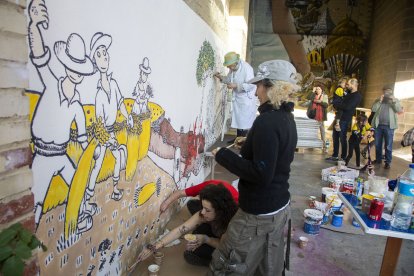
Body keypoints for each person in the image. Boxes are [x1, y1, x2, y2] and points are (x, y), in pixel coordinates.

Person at [210, 60, 299, 275]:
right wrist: (249, 144)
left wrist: (222, 155)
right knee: (267, 266)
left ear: (273, 88)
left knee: (227, 264)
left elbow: (261, 174)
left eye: (260, 85)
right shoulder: (286, 118)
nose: (256, 91)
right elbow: (273, 157)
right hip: (278, 206)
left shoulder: (267, 122)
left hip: (257, 213)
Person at [28, 0, 94, 232]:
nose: (76, 73)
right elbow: (39, 56)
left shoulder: (77, 106)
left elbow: (84, 138)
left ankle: (81, 213)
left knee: (78, 184)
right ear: (65, 66)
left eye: (80, 69)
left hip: (62, 154)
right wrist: (34, 25)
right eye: (72, 66)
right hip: (44, 155)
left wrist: (90, 155)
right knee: (35, 203)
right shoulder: (51, 82)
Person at [136, 184, 238, 267]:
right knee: (195, 232)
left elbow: (226, 246)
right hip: (216, 230)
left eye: (207, 210)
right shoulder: (204, 214)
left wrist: (206, 239)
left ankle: (218, 262)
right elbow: (180, 230)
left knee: (192, 255)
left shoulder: (233, 222)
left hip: (228, 246)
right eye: (203, 207)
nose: (202, 212)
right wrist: (154, 247)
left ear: (220, 211)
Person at [86, 32, 131, 207]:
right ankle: (88, 198)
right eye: (99, 55)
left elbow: (121, 104)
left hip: (110, 131)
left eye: (105, 54)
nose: (103, 57)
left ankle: (115, 189)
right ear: (95, 62)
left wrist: (129, 118)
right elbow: (99, 123)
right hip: (101, 134)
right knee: (97, 165)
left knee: (119, 156)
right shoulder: (98, 94)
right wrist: (107, 139)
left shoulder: (113, 84)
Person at [214, 52, 257, 143]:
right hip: (238, 98)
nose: (228, 68)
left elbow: (251, 85)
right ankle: (238, 139)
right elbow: (229, 79)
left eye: (229, 66)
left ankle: (242, 142)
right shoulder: (233, 68)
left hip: (246, 98)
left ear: (235, 63)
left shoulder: (246, 68)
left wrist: (236, 85)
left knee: (244, 121)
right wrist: (220, 77)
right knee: (239, 120)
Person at [326, 78, 362, 162]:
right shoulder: (348, 93)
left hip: (345, 119)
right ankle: (335, 155)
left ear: (353, 85)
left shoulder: (357, 96)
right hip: (338, 117)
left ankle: (343, 157)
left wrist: (337, 104)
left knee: (342, 138)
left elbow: (347, 107)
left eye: (348, 84)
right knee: (335, 137)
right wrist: (338, 104)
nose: (346, 86)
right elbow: (340, 103)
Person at [160, 179, 239, 214]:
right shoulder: (205, 186)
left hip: (230, 209)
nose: (203, 212)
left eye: (207, 210)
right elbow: (180, 193)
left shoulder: (234, 203)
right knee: (192, 204)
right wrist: (166, 203)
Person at [371, 86, 403, 169]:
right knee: (378, 144)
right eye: (385, 92)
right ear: (383, 92)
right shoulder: (379, 100)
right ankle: (378, 160)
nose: (387, 94)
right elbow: (373, 109)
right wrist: (380, 101)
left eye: (389, 92)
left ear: (392, 93)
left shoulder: (395, 100)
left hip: (389, 127)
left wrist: (394, 100)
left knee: (388, 145)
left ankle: (388, 162)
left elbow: (399, 110)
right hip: (378, 126)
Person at [308, 83, 329, 152]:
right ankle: (312, 144)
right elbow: (308, 98)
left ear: (322, 89)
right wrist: (312, 91)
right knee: (312, 131)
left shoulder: (324, 96)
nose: (317, 90)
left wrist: (320, 102)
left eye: (319, 89)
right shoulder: (313, 95)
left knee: (322, 131)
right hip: (313, 115)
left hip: (320, 116)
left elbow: (326, 105)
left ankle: (324, 146)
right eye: (316, 89)